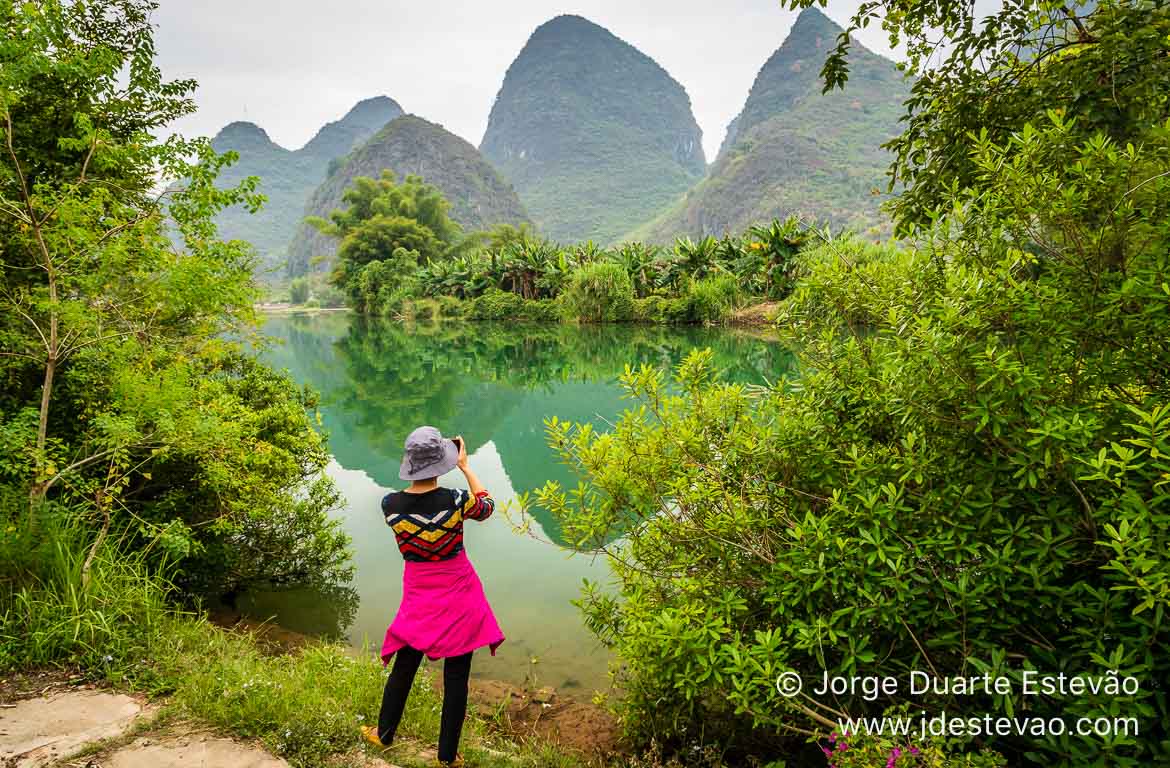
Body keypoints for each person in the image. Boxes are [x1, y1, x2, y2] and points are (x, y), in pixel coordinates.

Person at [361, 425, 505, 767]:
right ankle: (446, 757)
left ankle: (383, 735)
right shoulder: (456, 501)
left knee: (405, 665)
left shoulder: (390, 505)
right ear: (442, 463)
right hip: (459, 593)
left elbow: (417, 519)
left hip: (419, 595)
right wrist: (467, 468)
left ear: (410, 463)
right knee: (457, 678)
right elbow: (487, 507)